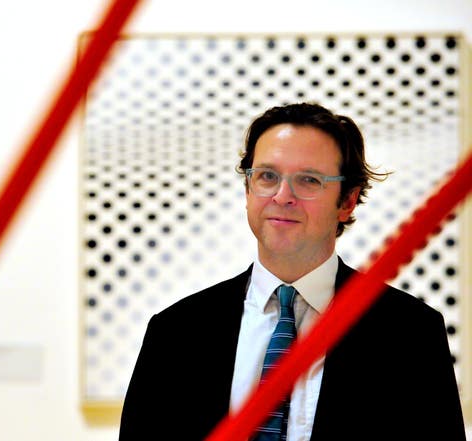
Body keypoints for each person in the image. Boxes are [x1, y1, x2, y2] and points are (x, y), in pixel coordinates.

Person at [118, 103, 466, 440]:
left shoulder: (411, 333)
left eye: (309, 180)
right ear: (248, 189)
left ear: (347, 201)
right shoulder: (174, 333)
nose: (283, 196)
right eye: (267, 176)